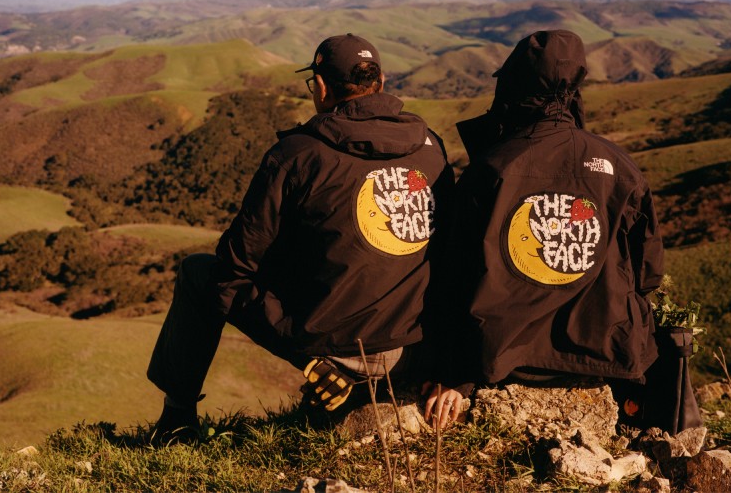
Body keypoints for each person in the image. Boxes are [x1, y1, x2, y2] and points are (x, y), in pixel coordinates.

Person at [147, 33, 454, 440]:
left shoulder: (297, 154)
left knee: (199, 273)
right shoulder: (432, 147)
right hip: (415, 350)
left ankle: (177, 419)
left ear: (322, 87)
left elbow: (236, 263)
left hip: (338, 344)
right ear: (380, 83)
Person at [425, 29, 665, 428]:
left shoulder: (491, 169)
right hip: (602, 355)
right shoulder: (619, 167)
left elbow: (452, 279)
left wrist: (453, 373)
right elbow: (648, 273)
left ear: (512, 84)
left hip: (505, 359)